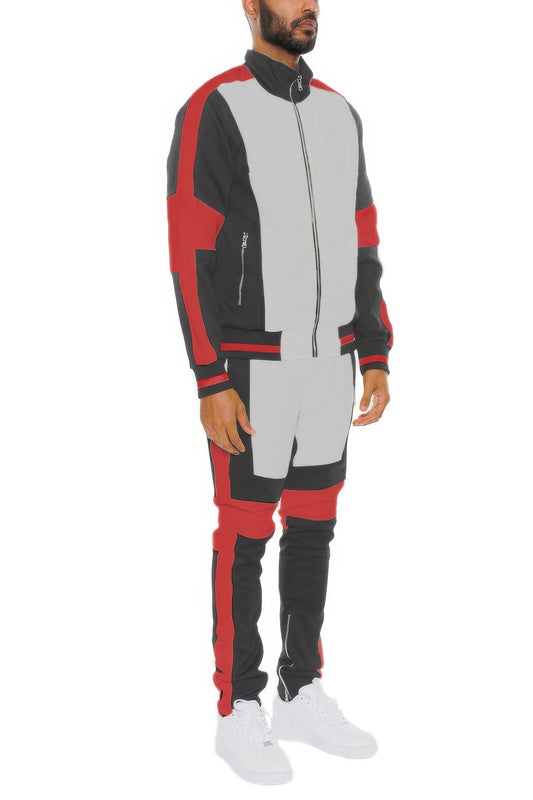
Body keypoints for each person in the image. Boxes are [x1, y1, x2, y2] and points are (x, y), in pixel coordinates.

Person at [166, 0, 393, 785]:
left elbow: (362, 236)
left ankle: (300, 690)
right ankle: (237, 707)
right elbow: (189, 247)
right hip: (251, 367)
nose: (307, 8)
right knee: (244, 532)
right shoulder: (214, 107)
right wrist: (210, 376)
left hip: (331, 362)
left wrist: (373, 350)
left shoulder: (339, 113)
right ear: (249, 4)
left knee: (313, 528)